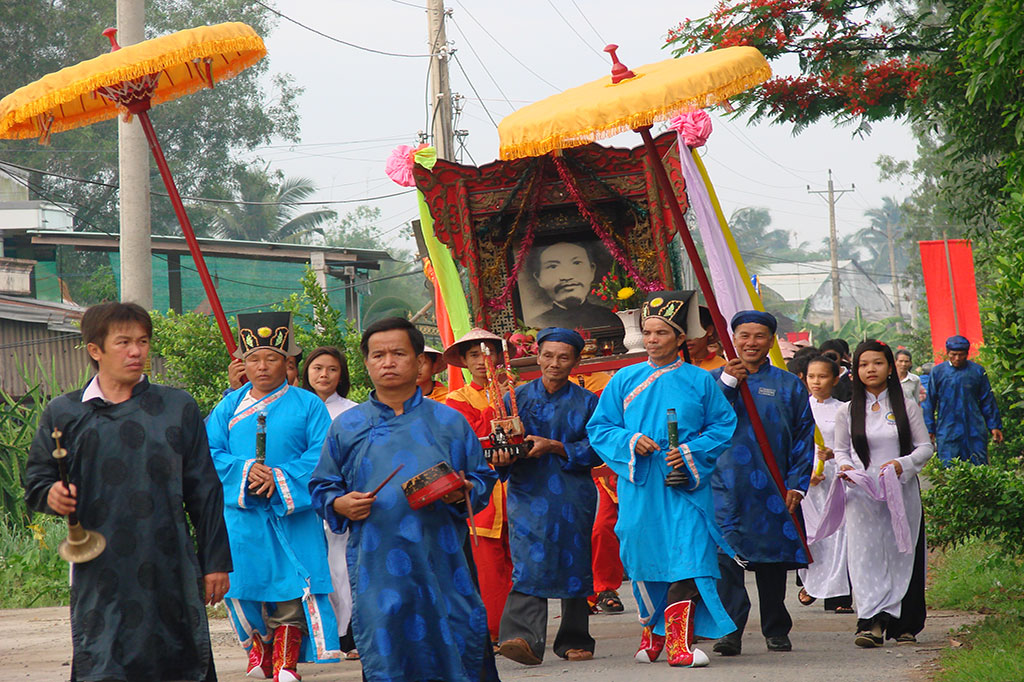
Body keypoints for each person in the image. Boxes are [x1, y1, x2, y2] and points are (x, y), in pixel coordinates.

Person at [23, 302, 232, 682]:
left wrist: (215, 562)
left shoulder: (176, 407)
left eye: (143, 341)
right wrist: (51, 493)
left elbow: (205, 489)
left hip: (169, 558)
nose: (136, 352)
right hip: (99, 564)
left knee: (179, 657)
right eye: (124, 342)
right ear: (95, 349)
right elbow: (36, 478)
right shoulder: (66, 412)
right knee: (103, 658)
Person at [309, 317, 498, 682]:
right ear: (366, 364)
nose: (388, 362)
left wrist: (464, 491)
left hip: (443, 558)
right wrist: (339, 504)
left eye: (398, 353)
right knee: (388, 649)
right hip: (377, 564)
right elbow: (322, 485)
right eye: (378, 355)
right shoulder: (347, 426)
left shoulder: (449, 421)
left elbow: (481, 477)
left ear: (419, 362)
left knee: (457, 642)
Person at [588, 291, 739, 668]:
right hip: (640, 484)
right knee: (644, 557)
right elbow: (600, 427)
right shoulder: (624, 379)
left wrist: (688, 453)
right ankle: (653, 632)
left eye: (661, 333)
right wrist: (631, 440)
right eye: (648, 332)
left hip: (685, 484)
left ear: (680, 339)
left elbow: (723, 425)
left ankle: (678, 642)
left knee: (690, 558)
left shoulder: (701, 381)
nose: (653, 339)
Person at [207, 312, 338, 682]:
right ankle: (258, 651)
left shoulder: (309, 405)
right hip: (242, 515)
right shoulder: (228, 406)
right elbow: (208, 451)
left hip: (291, 512)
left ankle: (286, 663)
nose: (261, 367)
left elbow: (322, 454)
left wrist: (279, 477)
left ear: (287, 363)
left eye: (271, 358)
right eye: (253, 359)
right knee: (244, 586)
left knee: (293, 587)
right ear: (242, 364)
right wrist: (247, 471)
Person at [710, 310, 815, 656]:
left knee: (771, 562)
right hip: (726, 486)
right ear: (733, 339)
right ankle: (730, 631)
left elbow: (803, 437)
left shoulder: (788, 384)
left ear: (770, 341)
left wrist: (797, 485)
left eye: (759, 336)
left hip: (773, 487)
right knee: (727, 561)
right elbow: (702, 424)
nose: (750, 343)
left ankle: (775, 629)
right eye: (743, 335)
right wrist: (727, 384)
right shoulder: (713, 382)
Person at [496, 327, 601, 665]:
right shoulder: (515, 397)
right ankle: (522, 637)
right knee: (529, 558)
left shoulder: (588, 402)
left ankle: (573, 637)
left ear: (576, 361)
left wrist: (555, 446)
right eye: (548, 355)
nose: (554, 363)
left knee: (574, 558)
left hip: (572, 492)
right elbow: (500, 446)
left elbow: (598, 449)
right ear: (537, 356)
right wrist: (503, 454)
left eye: (563, 357)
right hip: (528, 490)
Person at [834, 340, 934, 647]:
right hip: (861, 496)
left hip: (901, 492)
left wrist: (903, 465)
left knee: (903, 553)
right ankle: (871, 623)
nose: (870, 370)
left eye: (877, 363)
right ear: (855, 371)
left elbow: (925, 447)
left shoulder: (906, 405)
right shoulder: (848, 411)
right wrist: (848, 468)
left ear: (890, 368)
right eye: (863, 364)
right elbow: (841, 450)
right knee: (866, 557)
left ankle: (905, 625)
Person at [444, 328, 514, 644]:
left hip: (517, 489)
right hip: (482, 492)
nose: (483, 360)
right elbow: (472, 435)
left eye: (489, 353)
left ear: (499, 357)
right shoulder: (456, 399)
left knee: (521, 565)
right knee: (489, 570)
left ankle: (522, 631)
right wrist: (499, 409)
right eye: (474, 354)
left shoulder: (517, 390)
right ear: (464, 361)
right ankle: (496, 631)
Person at [300, 346, 360, 661]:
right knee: (308, 569)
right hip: (297, 501)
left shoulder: (353, 411)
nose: (324, 375)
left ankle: (347, 635)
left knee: (341, 568)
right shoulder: (294, 407)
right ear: (306, 371)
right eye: (318, 368)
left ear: (342, 374)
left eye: (332, 369)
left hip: (337, 501)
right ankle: (312, 637)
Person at [796, 355, 853, 613]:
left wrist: (835, 456)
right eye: (811, 377)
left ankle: (839, 596)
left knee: (839, 535)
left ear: (835, 379)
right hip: (806, 482)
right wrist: (805, 471)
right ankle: (813, 583)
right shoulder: (798, 409)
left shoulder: (845, 410)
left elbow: (852, 447)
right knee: (812, 536)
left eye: (822, 376)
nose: (816, 382)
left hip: (834, 480)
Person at [923, 335, 1003, 465]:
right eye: (953, 354)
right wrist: (929, 429)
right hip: (947, 428)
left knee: (978, 467)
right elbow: (929, 402)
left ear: (967, 354)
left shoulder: (977, 371)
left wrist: (994, 426)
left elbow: (987, 400)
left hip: (974, 428)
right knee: (950, 468)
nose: (957, 358)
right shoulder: (938, 372)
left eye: (961, 355)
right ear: (947, 353)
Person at [524, 241, 624, 333]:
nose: (566, 277)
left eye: (576, 263)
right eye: (553, 266)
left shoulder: (613, 318)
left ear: (592, 270)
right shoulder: (536, 325)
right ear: (539, 279)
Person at [686, 306, 727, 371]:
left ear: (709, 330)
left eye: (693, 330)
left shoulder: (722, 367)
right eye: (684, 331)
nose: (688, 338)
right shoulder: (670, 362)